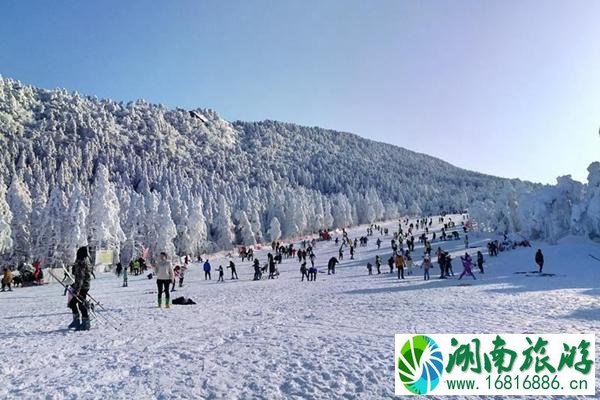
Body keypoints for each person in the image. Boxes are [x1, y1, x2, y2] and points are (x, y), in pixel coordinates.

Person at [68, 246, 92, 331]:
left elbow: (80, 277)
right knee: (74, 303)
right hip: (85, 285)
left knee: (78, 304)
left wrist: (77, 289)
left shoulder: (81, 262)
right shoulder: (86, 260)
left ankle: (85, 322)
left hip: (81, 286)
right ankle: (78, 321)